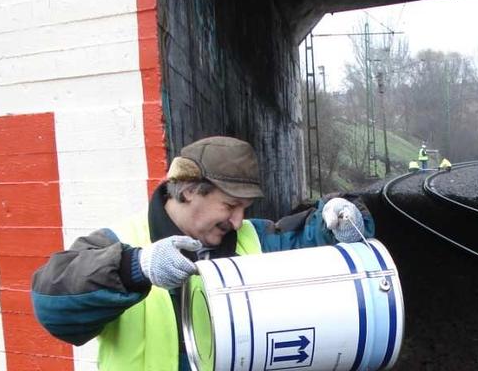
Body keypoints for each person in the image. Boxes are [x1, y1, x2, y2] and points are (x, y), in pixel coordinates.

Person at [31, 136, 374, 371]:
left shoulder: (255, 239)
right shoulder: (120, 242)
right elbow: (52, 305)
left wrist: (339, 218)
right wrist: (136, 267)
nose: (239, 221)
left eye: (245, 208)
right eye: (230, 205)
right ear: (189, 191)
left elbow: (314, 242)